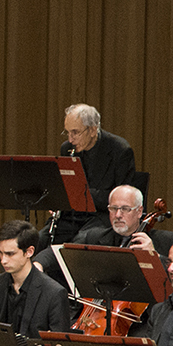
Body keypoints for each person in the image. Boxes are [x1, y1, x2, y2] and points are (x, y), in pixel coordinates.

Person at [35, 185, 173, 288]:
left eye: (125, 209)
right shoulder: (95, 237)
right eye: (113, 209)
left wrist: (154, 257)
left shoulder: (165, 240)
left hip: (143, 320)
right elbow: (59, 252)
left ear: (139, 211)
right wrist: (38, 264)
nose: (118, 215)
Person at [45, 103, 136, 245]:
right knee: (39, 240)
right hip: (73, 216)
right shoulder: (67, 149)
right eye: (67, 132)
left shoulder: (120, 150)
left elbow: (122, 198)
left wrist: (81, 194)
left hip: (101, 216)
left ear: (93, 130)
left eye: (75, 132)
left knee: (79, 242)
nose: (70, 139)